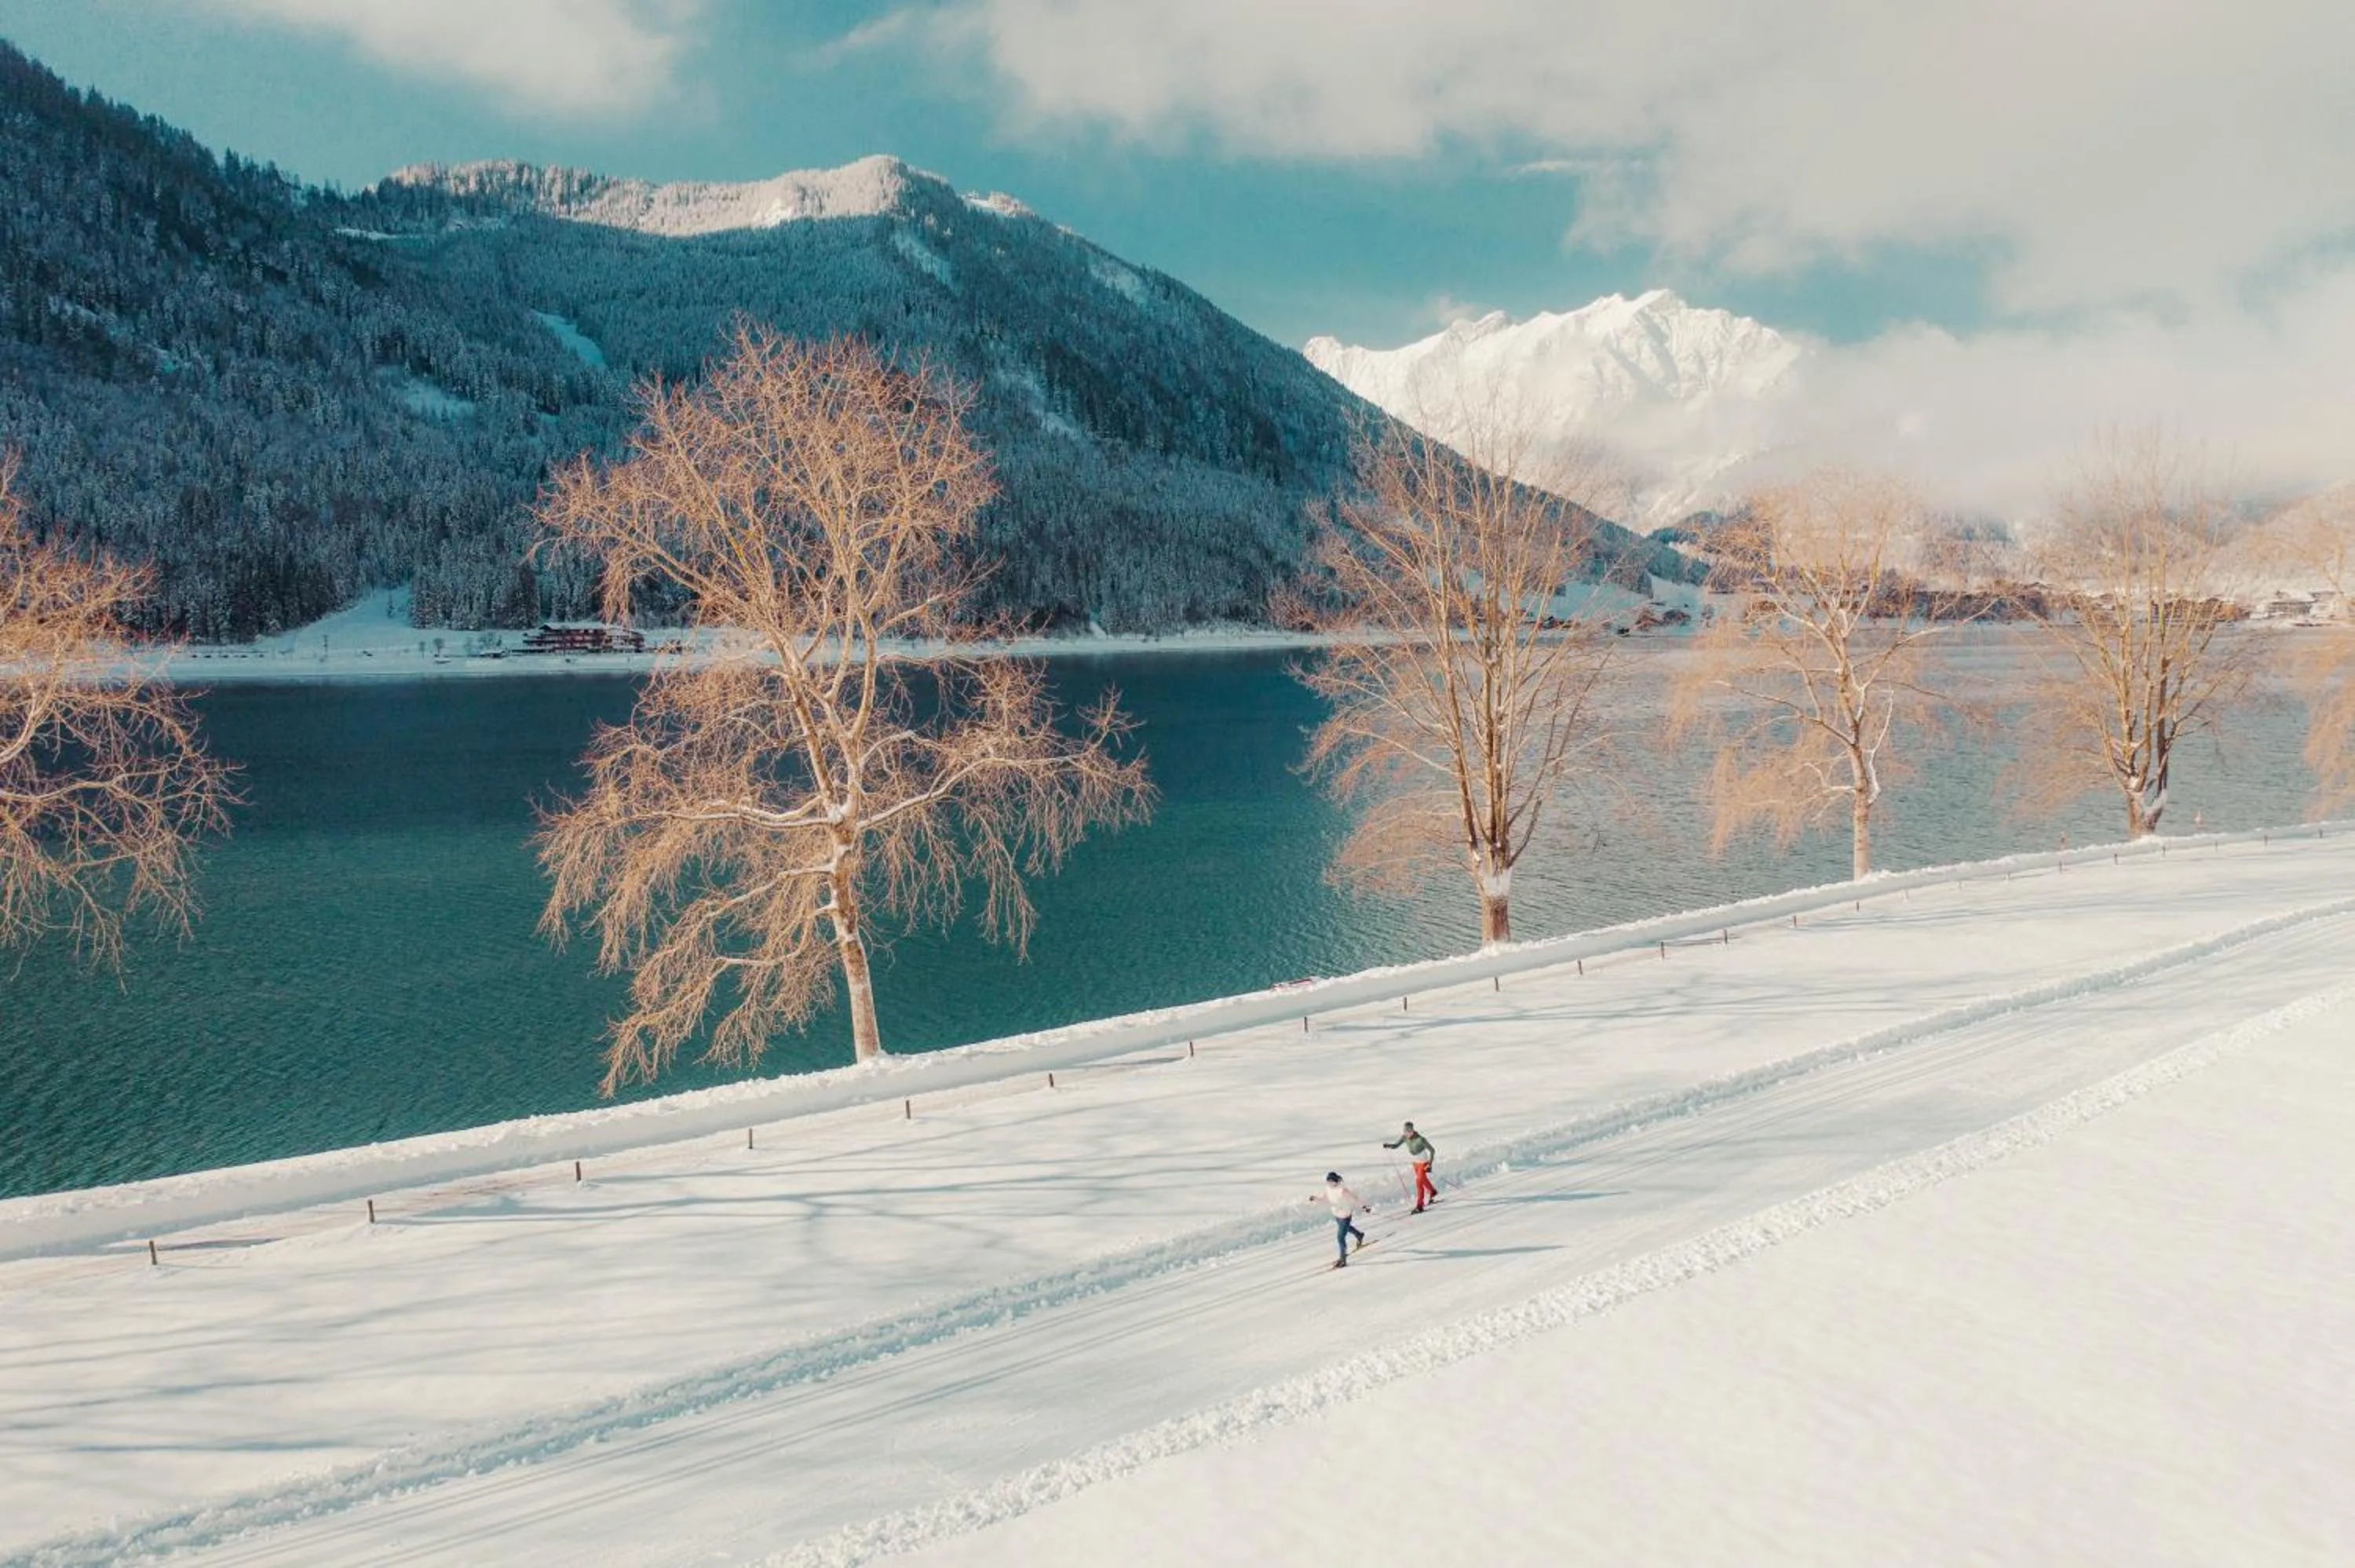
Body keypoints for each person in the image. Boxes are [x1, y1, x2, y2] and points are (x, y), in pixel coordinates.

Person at [1311, 1172, 1368, 1268]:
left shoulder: (1342, 1190)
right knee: (1346, 1228)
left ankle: (1343, 1260)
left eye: (1332, 1182)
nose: (1330, 1184)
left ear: (1336, 1181)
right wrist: (1315, 1198)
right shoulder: (1328, 1189)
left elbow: (1355, 1199)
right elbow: (1323, 1197)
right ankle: (1359, 1235)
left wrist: (1364, 1207)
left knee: (1340, 1238)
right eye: (1328, 1182)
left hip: (1345, 1215)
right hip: (1337, 1215)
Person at [1384, 1121, 1438, 1212]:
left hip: (1423, 1162)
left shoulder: (1421, 1139)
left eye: (1408, 1131)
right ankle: (1432, 1192)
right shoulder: (1404, 1137)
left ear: (1412, 1131)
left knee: (1419, 1183)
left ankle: (1420, 1205)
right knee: (1423, 1179)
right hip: (1415, 1163)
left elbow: (1432, 1150)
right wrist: (1389, 1146)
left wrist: (1430, 1164)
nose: (1406, 1133)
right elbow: (1396, 1146)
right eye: (1405, 1131)